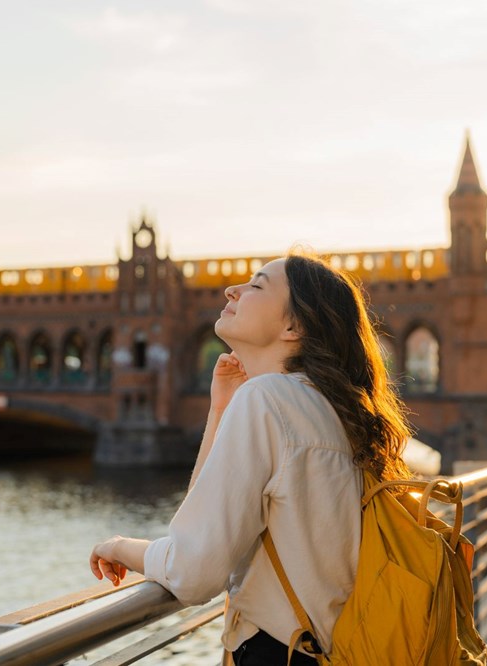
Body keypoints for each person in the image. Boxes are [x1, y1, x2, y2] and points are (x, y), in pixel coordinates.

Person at [89, 253, 412, 665]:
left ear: (293, 327)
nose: (232, 290)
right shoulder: (329, 406)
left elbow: (193, 570)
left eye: (257, 286)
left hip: (283, 653)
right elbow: (203, 519)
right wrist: (220, 408)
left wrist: (119, 547)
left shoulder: (266, 401)